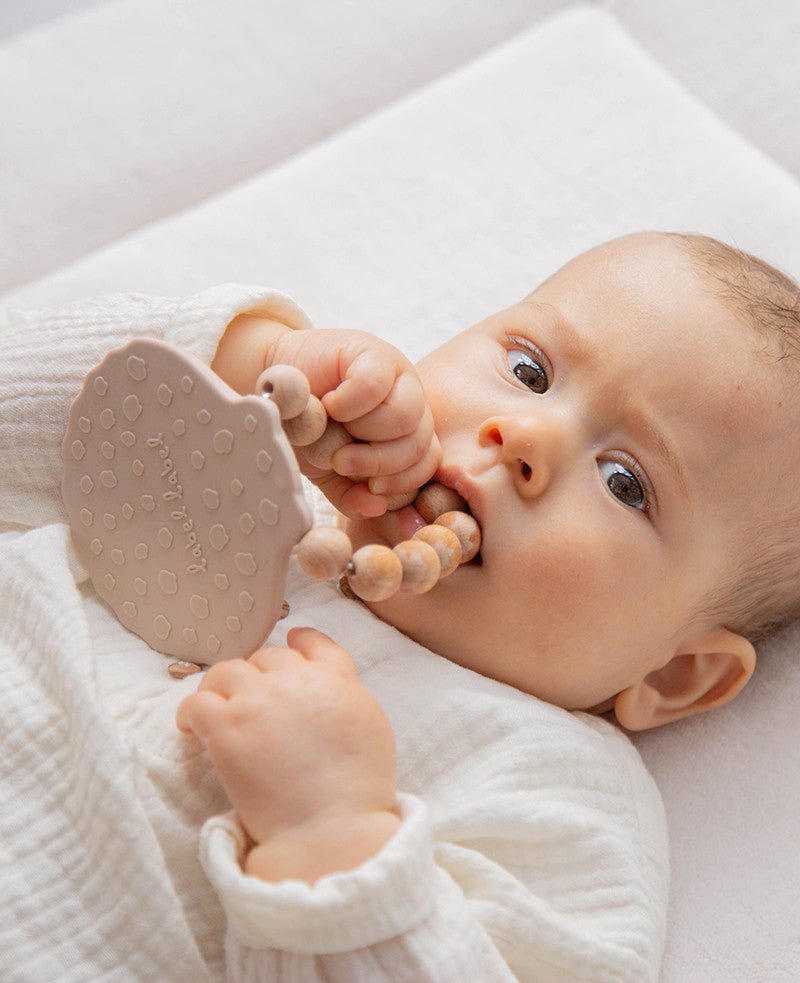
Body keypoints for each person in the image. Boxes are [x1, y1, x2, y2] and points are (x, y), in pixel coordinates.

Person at [2, 230, 797, 981]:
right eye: (529, 370)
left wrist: (331, 836)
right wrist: (243, 361)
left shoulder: (555, 796)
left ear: (678, 673)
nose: (521, 434)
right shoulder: (264, 464)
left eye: (626, 482)